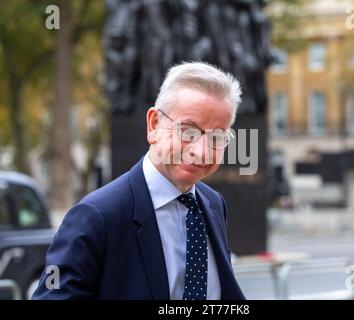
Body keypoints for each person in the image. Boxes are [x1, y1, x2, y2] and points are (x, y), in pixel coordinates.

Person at [33, 62, 245, 300]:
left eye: (217, 137)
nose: (202, 152)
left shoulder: (213, 204)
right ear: (154, 125)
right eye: (188, 131)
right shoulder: (96, 217)